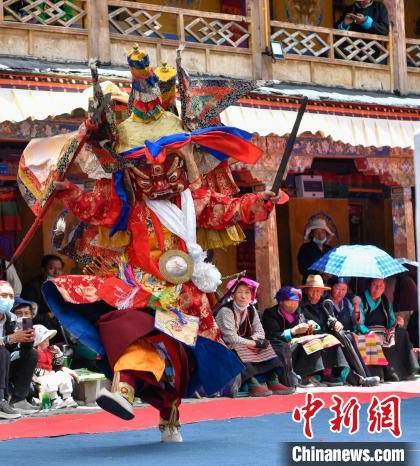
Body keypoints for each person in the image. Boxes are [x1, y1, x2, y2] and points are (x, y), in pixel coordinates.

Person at [35, 47, 284, 442]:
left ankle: (168, 412)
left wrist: (259, 203)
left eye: (165, 165)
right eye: (146, 167)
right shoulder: (131, 201)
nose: (157, 175)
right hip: (139, 285)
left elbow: (225, 210)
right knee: (128, 327)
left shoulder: (192, 200)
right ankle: (124, 389)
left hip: (185, 294)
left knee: (178, 357)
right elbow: (95, 206)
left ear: (180, 163)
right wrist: (66, 192)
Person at [214, 278, 294, 397]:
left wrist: (254, 341)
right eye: (240, 292)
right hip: (225, 346)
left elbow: (260, 331)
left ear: (252, 295)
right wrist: (253, 343)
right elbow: (230, 338)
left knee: (266, 345)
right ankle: (252, 382)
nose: (243, 296)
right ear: (233, 294)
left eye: (247, 293)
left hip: (244, 343)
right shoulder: (226, 311)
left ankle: (273, 380)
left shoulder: (251, 309)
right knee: (241, 347)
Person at [0, 281, 39, 418]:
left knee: (31, 353)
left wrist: (28, 337)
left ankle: (18, 400)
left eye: (11, 296)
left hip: (3, 364)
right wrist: (11, 338)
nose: (8, 300)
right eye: (4, 295)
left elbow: (22, 348)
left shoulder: (12, 318)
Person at [262, 286, 348, 387]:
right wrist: (292, 332)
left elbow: (308, 324)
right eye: (290, 301)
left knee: (329, 338)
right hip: (283, 349)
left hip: (301, 345)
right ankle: (306, 376)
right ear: (281, 301)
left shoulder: (299, 312)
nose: (294, 304)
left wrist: (313, 325)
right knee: (311, 342)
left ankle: (327, 374)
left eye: (296, 301)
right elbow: (272, 336)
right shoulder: (271, 313)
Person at [301, 275, 378, 387]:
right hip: (311, 337)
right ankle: (360, 378)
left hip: (325, 336)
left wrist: (335, 322)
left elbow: (330, 317)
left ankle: (362, 376)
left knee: (343, 336)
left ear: (323, 292)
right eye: (313, 290)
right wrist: (310, 325)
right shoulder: (301, 305)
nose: (316, 294)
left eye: (319, 291)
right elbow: (301, 322)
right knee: (336, 339)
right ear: (307, 290)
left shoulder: (324, 303)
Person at [327, 276, 384, 385]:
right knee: (350, 338)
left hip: (348, 333)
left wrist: (357, 306)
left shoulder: (347, 302)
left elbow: (357, 322)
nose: (341, 292)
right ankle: (363, 376)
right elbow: (329, 321)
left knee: (367, 338)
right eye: (338, 288)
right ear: (331, 288)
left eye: (344, 289)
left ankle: (372, 375)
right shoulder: (327, 302)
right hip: (335, 335)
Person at [359, 278, 419, 381]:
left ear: (384, 288)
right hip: (366, 332)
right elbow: (358, 323)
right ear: (369, 285)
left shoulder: (385, 300)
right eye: (375, 285)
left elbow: (391, 322)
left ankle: (404, 370)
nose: (378, 288)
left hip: (383, 332)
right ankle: (384, 374)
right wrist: (368, 332)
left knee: (401, 333)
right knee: (372, 337)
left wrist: (397, 323)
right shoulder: (361, 299)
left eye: (381, 286)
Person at [33, 324, 78, 408]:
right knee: (49, 380)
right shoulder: (34, 352)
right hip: (38, 376)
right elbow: (32, 368)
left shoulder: (50, 351)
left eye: (48, 340)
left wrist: (58, 353)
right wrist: (44, 372)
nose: (47, 343)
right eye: (44, 341)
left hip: (51, 372)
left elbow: (57, 363)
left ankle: (67, 397)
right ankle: (54, 399)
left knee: (64, 375)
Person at [22, 254, 65, 342]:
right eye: (52, 268)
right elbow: (25, 317)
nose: (56, 272)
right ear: (43, 270)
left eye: (59, 269)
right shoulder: (32, 287)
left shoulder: (63, 285)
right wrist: (48, 316)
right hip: (41, 331)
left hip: (59, 327)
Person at [296, 218, 333, 283]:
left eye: (322, 232)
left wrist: (330, 274)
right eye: (317, 232)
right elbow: (302, 270)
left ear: (326, 233)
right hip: (311, 284)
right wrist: (319, 272)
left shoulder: (329, 249)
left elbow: (334, 266)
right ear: (312, 234)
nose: (320, 235)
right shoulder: (305, 248)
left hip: (328, 285)